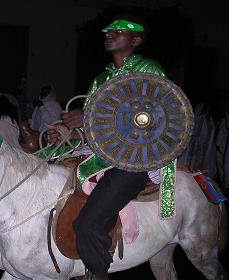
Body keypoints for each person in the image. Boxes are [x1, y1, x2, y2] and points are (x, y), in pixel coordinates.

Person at [47, 16, 166, 279]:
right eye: (108, 31)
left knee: (87, 223)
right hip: (100, 156)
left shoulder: (149, 69)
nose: (108, 33)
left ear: (135, 41)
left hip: (135, 159)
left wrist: (90, 117)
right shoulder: (101, 78)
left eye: (117, 31)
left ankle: (98, 273)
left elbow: (157, 117)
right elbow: (93, 131)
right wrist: (71, 132)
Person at [178, 102, 217, 178]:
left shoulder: (209, 120)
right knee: (186, 164)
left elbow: (209, 136)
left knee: (197, 166)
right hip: (190, 145)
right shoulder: (192, 118)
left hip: (200, 148)